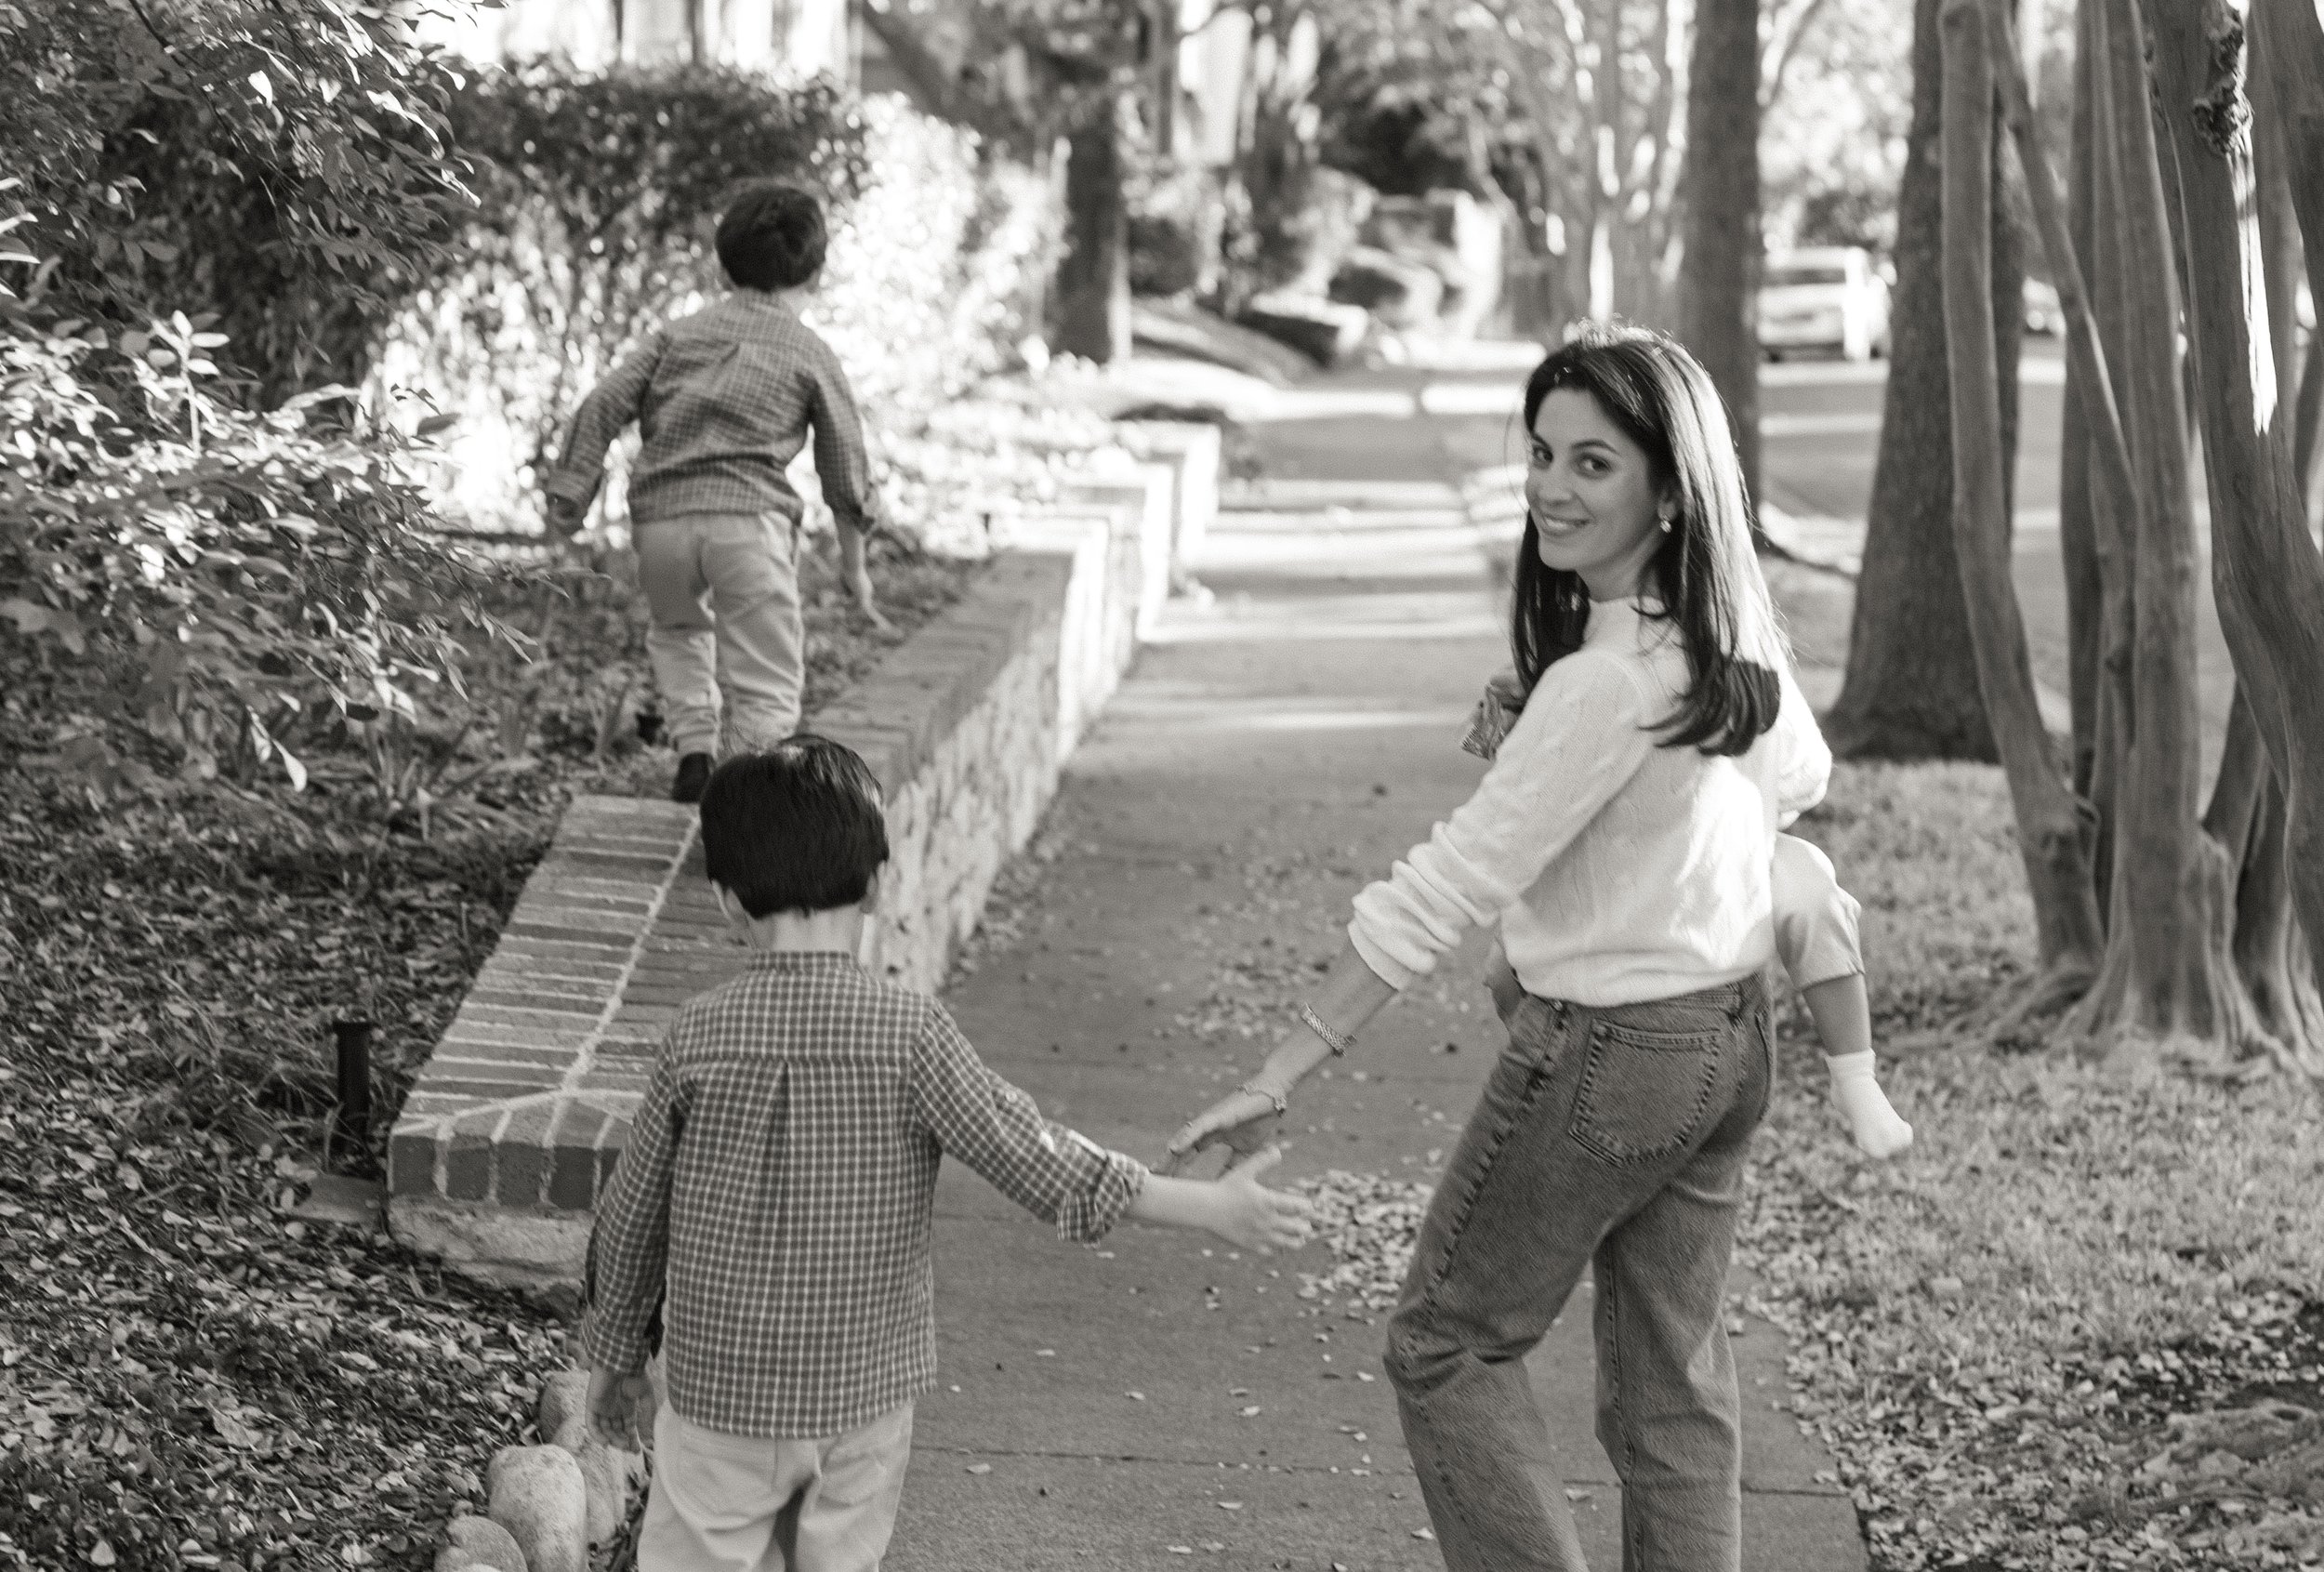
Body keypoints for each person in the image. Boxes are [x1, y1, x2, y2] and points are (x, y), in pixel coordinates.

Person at [1162, 324, 1842, 1571]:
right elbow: (1796, 775)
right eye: (1540, 452)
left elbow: (1440, 888)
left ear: (1669, 494)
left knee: (1446, 1341)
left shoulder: (1604, 683)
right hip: (1729, 1039)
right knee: (1672, 1384)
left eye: (1593, 463)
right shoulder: (1727, 649)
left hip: (1618, 1052)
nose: (1548, 486)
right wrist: (1562, 746)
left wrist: (1282, 1067)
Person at [578, 737, 1314, 1572]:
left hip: (720, 1396)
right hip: (863, 1396)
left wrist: (613, 1354)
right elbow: (1034, 1156)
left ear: (726, 902)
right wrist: (1209, 1206)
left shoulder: (696, 1036)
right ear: (877, 885)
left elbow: (633, 1212)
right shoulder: (911, 1036)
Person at [1468, 672, 1912, 1160]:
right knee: (1505, 967)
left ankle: (1854, 1076)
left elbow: (1805, 777)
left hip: (1722, 846)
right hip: (1605, 861)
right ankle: (1549, 1070)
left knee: (1809, 891)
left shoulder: (1741, 661)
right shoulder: (1573, 662)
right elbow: (1512, 800)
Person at [543, 180, 889, 806]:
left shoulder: (676, 336)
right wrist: (855, 568)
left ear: (725, 261)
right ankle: (740, 802)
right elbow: (846, 470)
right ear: (815, 271)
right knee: (764, 677)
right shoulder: (809, 349)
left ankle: (696, 751)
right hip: (749, 526)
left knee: (678, 632)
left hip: (662, 525)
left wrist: (570, 499)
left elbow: (601, 405)